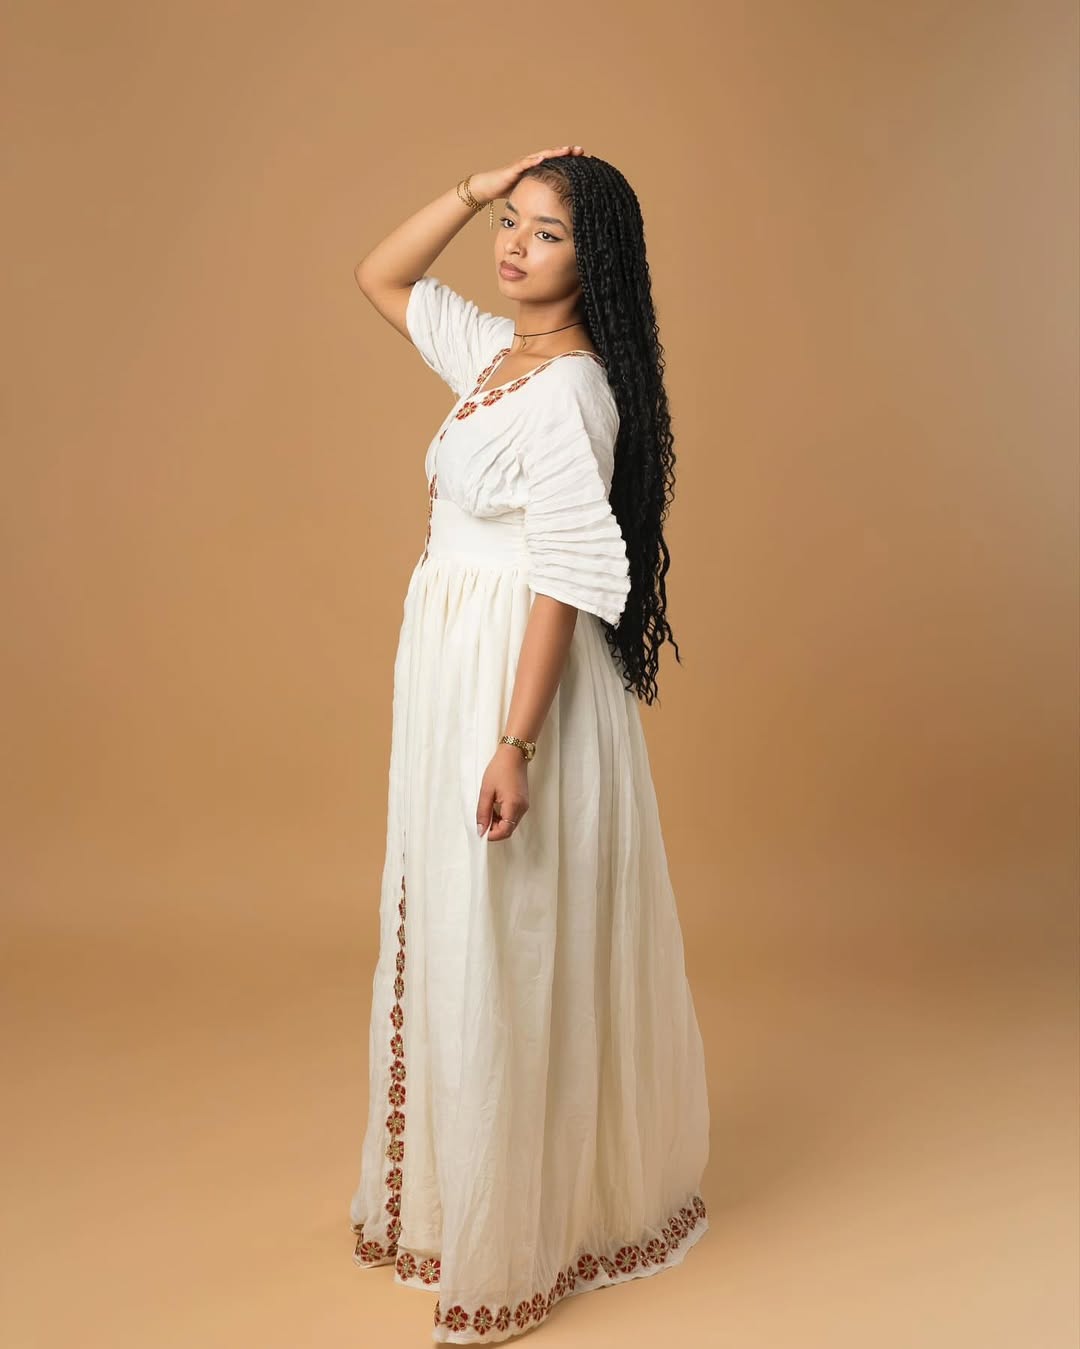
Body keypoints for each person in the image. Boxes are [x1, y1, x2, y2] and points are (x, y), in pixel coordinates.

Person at [348, 145, 711, 1345]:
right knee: (465, 928)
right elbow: (379, 276)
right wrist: (468, 187)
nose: (511, 245)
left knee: (511, 935)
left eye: (543, 231)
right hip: (455, 665)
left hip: (516, 679)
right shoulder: (498, 360)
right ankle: (481, 1199)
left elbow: (560, 578)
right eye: (509, 222)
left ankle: (526, 1235)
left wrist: (516, 741)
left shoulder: (569, 391)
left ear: (590, 258)